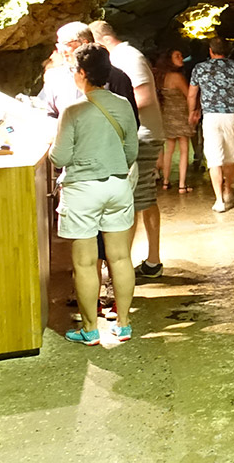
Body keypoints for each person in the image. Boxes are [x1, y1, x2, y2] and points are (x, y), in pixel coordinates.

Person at [50, 44, 139, 345]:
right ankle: (124, 324)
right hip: (117, 185)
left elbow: (59, 158)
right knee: (121, 257)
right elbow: (131, 150)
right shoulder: (124, 104)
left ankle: (90, 329)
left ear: (83, 73)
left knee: (86, 263)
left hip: (82, 191)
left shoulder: (73, 111)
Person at [90, 20, 165, 278]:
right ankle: (149, 262)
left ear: (101, 41)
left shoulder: (128, 59)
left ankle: (124, 267)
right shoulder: (122, 58)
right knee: (142, 198)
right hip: (137, 134)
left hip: (141, 135)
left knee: (133, 200)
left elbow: (142, 97)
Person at [188, 37, 234, 212]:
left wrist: (192, 111)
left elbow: (191, 94)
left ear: (210, 51)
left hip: (210, 117)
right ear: (226, 51)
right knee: (230, 156)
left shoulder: (200, 68)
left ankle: (219, 201)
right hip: (231, 116)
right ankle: (228, 190)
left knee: (214, 159)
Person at [159, 48, 195, 193]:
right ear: (170, 59)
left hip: (167, 116)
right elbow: (189, 95)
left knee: (169, 150)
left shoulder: (162, 77)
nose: (181, 58)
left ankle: (166, 182)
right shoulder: (177, 77)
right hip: (181, 116)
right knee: (184, 150)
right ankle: (182, 184)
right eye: (177, 56)